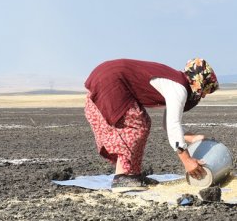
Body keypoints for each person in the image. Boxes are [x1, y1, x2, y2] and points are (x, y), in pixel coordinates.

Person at [84, 58, 219, 192]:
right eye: (204, 92)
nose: (203, 97)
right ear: (199, 83)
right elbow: (173, 125)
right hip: (111, 80)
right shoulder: (179, 89)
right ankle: (122, 177)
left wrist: (193, 138)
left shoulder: (177, 82)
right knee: (136, 126)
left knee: (142, 123)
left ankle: (132, 175)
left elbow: (168, 125)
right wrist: (187, 160)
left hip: (109, 76)